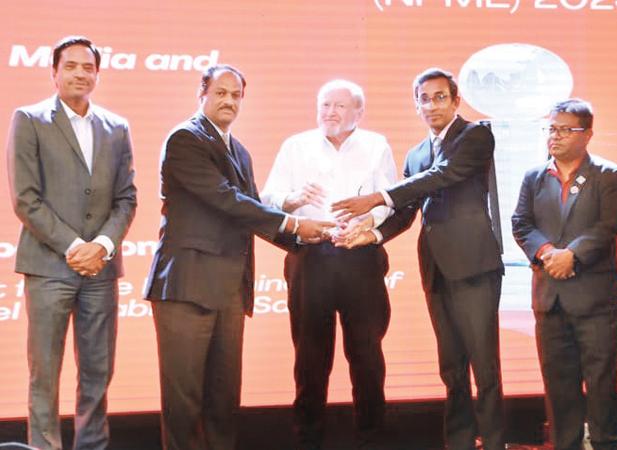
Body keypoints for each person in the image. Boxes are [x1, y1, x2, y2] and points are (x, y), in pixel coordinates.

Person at [143, 64, 332, 450]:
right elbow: (228, 202)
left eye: (236, 95)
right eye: (220, 93)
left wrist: (308, 242)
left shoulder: (239, 150)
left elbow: (250, 212)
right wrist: (295, 225)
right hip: (187, 287)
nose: (229, 100)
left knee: (224, 400)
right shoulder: (185, 139)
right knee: (185, 404)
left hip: (229, 289)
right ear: (203, 95)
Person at [331, 68, 505, 450]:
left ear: (456, 100)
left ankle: (494, 443)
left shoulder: (475, 136)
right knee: (451, 367)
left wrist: (378, 196)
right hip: (436, 269)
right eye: (423, 99)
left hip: (474, 266)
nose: (431, 105)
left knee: (485, 367)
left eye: (440, 97)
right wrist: (373, 234)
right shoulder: (415, 153)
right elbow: (406, 210)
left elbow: (446, 174)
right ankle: (459, 441)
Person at [6, 35, 137, 450]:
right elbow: (25, 198)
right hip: (48, 267)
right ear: (54, 72)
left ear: (97, 73)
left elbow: (127, 197)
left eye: (88, 67)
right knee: (44, 374)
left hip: (100, 269)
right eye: (71, 66)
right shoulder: (28, 119)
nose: (80, 73)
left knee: (98, 372)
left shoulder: (117, 127)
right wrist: (73, 246)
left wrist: (100, 244)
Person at [261, 79, 397, 450]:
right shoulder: (296, 145)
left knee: (367, 356)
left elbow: (389, 200)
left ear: (358, 112)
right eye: (324, 105)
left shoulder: (376, 145)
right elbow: (268, 199)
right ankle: (308, 440)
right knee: (310, 359)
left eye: (339, 106)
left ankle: (372, 439)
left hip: (360, 259)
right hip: (311, 259)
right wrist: (293, 198)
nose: (330, 113)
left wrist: (365, 223)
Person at [511, 99, 617, 450]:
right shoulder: (534, 177)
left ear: (587, 134)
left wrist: (572, 255)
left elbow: (608, 226)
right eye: (551, 128)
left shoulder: (608, 175)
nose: (555, 136)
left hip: (595, 300)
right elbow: (521, 223)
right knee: (559, 386)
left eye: (565, 129)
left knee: (601, 383)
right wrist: (547, 253)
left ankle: (606, 443)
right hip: (550, 299)